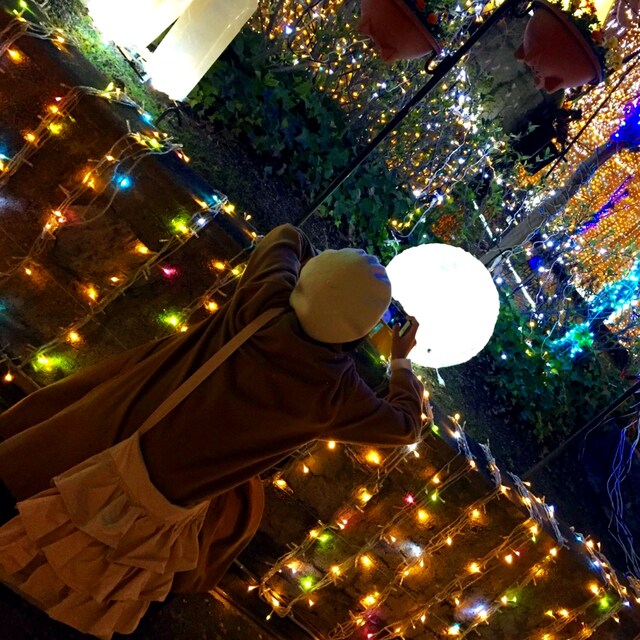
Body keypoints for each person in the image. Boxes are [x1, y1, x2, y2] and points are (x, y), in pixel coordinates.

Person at [0, 224, 424, 638]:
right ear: (362, 330)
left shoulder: (262, 301)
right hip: (170, 495)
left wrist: (318, 279)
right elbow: (407, 425)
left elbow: (286, 236)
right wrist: (400, 361)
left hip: (124, 431)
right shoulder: (335, 394)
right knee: (236, 517)